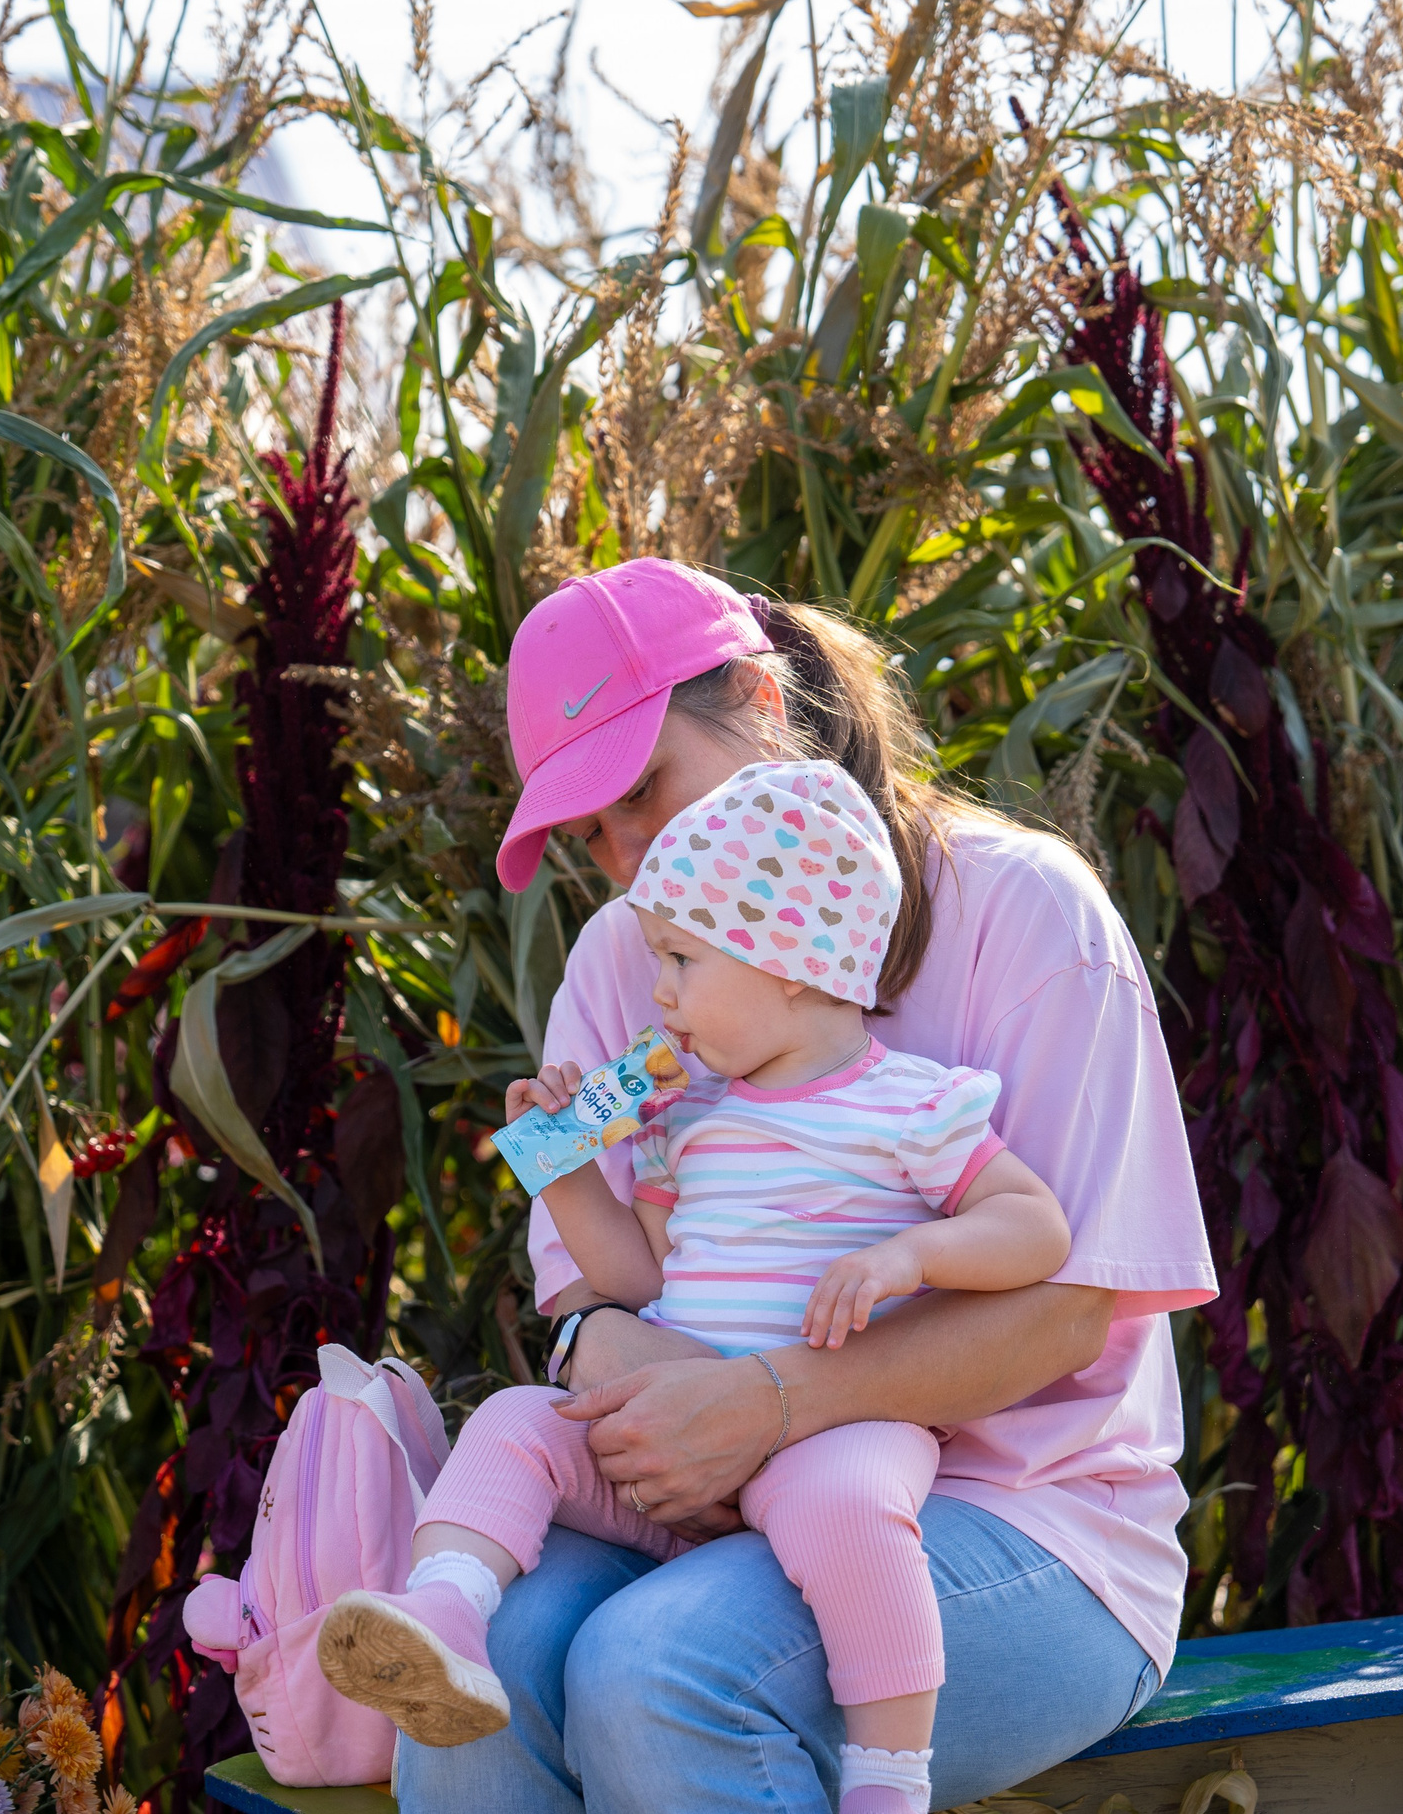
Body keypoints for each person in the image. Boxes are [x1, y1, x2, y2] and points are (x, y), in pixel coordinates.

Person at [393, 558, 1217, 1814]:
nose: (628, 857)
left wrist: (772, 1408)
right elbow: (598, 1310)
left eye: (645, 789)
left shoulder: (1027, 913)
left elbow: (1068, 1307)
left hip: (1035, 1523)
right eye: (589, 834)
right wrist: (663, 1397)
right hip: (703, 1500)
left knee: (661, 1668)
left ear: (760, 699)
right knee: (489, 1665)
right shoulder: (629, 964)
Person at [318, 760, 1076, 1814]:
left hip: (830, 1425)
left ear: (795, 967)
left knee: (856, 1514)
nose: (659, 993)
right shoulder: (693, 1121)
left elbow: (1033, 1229)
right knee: (514, 1422)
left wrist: (911, 1258)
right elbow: (634, 1279)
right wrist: (567, 1165)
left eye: (680, 959)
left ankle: (890, 1775)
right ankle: (446, 1611)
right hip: (672, 1438)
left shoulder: (915, 1106)